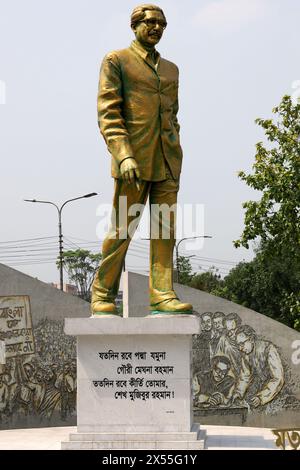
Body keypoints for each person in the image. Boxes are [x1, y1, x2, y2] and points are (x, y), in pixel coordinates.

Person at [91, 4, 193, 316]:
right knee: (123, 227)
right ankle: (101, 293)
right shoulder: (116, 60)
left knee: (164, 230)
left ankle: (162, 294)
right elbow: (108, 111)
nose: (157, 28)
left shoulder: (172, 69)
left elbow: (172, 113)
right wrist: (123, 155)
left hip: (167, 160)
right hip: (133, 160)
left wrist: (174, 144)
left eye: (162, 24)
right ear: (135, 25)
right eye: (150, 23)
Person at [233, 325, 284, 407]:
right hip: (257, 393)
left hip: (272, 395)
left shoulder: (268, 349)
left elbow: (278, 378)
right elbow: (245, 376)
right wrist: (239, 393)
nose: (240, 348)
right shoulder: (246, 354)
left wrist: (261, 397)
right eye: (238, 345)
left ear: (251, 339)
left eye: (242, 344)